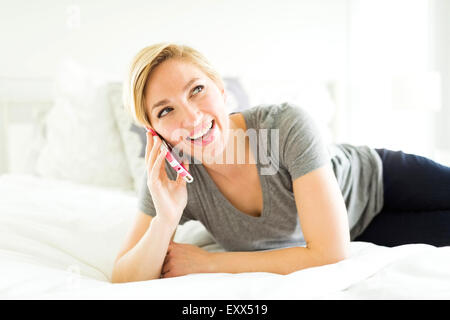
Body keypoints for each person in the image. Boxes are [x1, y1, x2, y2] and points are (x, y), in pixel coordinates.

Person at [111, 43, 450, 283]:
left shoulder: (286, 124)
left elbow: (329, 255)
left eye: (197, 90)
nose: (191, 116)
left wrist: (212, 263)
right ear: (154, 133)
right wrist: (166, 219)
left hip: (378, 178)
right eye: (165, 110)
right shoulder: (168, 178)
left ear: (221, 89)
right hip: (362, 226)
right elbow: (124, 276)